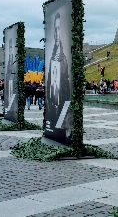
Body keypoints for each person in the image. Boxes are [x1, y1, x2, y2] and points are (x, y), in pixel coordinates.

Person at [46, 12, 73, 145]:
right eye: (55, 30)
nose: (56, 33)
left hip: (61, 107)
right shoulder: (52, 57)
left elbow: (66, 87)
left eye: (58, 29)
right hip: (52, 107)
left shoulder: (64, 59)